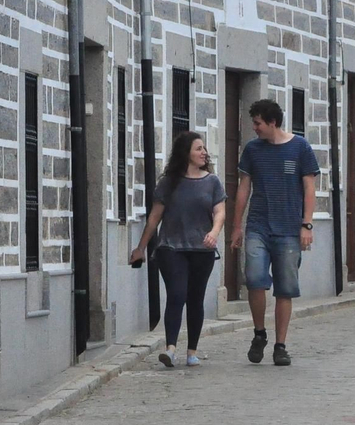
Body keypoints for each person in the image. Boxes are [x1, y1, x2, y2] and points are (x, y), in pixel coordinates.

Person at [229, 98, 319, 367]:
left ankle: (280, 345)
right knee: (254, 278)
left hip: (290, 229)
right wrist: (237, 226)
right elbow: (244, 187)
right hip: (258, 225)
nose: (254, 128)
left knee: (285, 288)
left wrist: (307, 224)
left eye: (257, 123)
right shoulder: (253, 150)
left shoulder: (300, 147)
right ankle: (259, 333)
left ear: (272, 122)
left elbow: (309, 188)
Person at [131, 131, 226, 367]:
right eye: (198, 149)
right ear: (186, 153)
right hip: (171, 247)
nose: (204, 152)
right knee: (176, 294)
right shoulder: (168, 183)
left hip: (201, 249)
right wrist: (141, 247)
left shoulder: (212, 182)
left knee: (195, 299)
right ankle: (170, 348)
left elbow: (220, 212)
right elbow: (154, 218)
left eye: (204, 148)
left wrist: (214, 233)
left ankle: (192, 351)